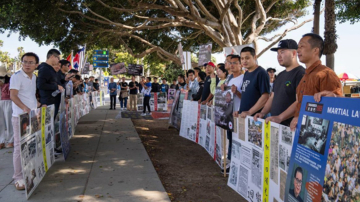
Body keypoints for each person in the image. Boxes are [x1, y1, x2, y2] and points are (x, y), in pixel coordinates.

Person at [286, 33, 342, 131]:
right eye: (297, 47)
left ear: (315, 50)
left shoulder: (326, 74)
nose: (298, 50)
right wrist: (293, 117)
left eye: (302, 46)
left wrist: (334, 97)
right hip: (300, 132)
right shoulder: (305, 76)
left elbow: (337, 107)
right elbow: (299, 103)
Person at [10, 52, 43, 190]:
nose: (27, 64)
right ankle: (18, 178)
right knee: (19, 147)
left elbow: (30, 95)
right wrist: (25, 108)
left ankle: (30, 171)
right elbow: (13, 95)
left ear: (36, 65)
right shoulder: (16, 76)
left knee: (31, 144)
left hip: (33, 115)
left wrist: (39, 105)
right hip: (20, 117)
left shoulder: (34, 77)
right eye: (25, 61)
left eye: (30, 62)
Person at [253, 39, 305, 127]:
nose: (278, 56)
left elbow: (300, 101)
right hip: (275, 126)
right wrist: (262, 113)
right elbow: (272, 97)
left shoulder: (301, 73)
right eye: (278, 53)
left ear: (293, 53)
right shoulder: (280, 75)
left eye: (282, 52)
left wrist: (280, 117)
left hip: (291, 128)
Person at [223, 55, 244, 174]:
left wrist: (237, 92)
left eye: (235, 62)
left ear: (241, 64)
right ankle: (231, 163)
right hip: (231, 115)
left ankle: (237, 166)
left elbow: (245, 97)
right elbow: (227, 97)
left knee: (238, 142)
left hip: (240, 115)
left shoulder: (244, 78)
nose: (232, 65)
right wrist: (224, 90)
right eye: (230, 62)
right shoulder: (230, 79)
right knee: (231, 140)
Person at [235, 47, 270, 118]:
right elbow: (246, 96)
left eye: (247, 58)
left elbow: (265, 96)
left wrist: (249, 112)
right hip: (244, 116)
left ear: (255, 57)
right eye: (242, 58)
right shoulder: (246, 73)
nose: (244, 61)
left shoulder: (261, 73)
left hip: (256, 119)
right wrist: (240, 111)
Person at [37, 49, 63, 118]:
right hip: (48, 102)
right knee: (47, 124)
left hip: (53, 101)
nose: (58, 60)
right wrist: (56, 87)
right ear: (52, 56)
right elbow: (40, 85)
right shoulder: (44, 68)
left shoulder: (50, 69)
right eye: (58, 58)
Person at [0, 68, 13, 149]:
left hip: (9, 101)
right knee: (1, 122)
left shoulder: (9, 82)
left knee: (9, 121)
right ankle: (2, 141)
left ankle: (11, 140)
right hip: (1, 101)